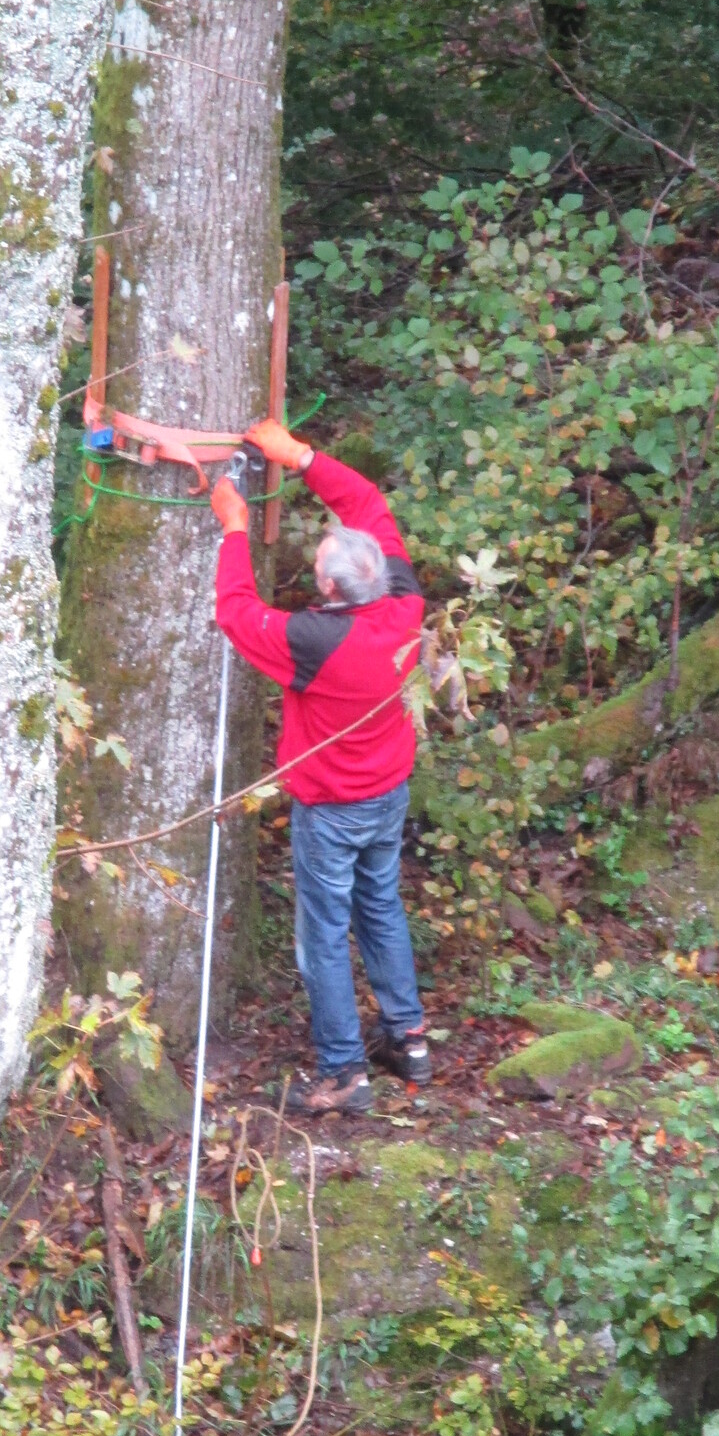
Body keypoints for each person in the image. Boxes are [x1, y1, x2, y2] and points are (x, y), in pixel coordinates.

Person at [208, 416, 431, 1116]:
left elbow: (237, 613)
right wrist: (300, 456)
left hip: (333, 808)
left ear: (334, 590)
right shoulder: (403, 600)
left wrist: (234, 529)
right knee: (380, 905)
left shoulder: (314, 641)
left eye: (319, 565)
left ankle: (343, 1073)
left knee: (324, 936)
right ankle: (408, 1038)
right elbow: (366, 503)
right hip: (387, 793)